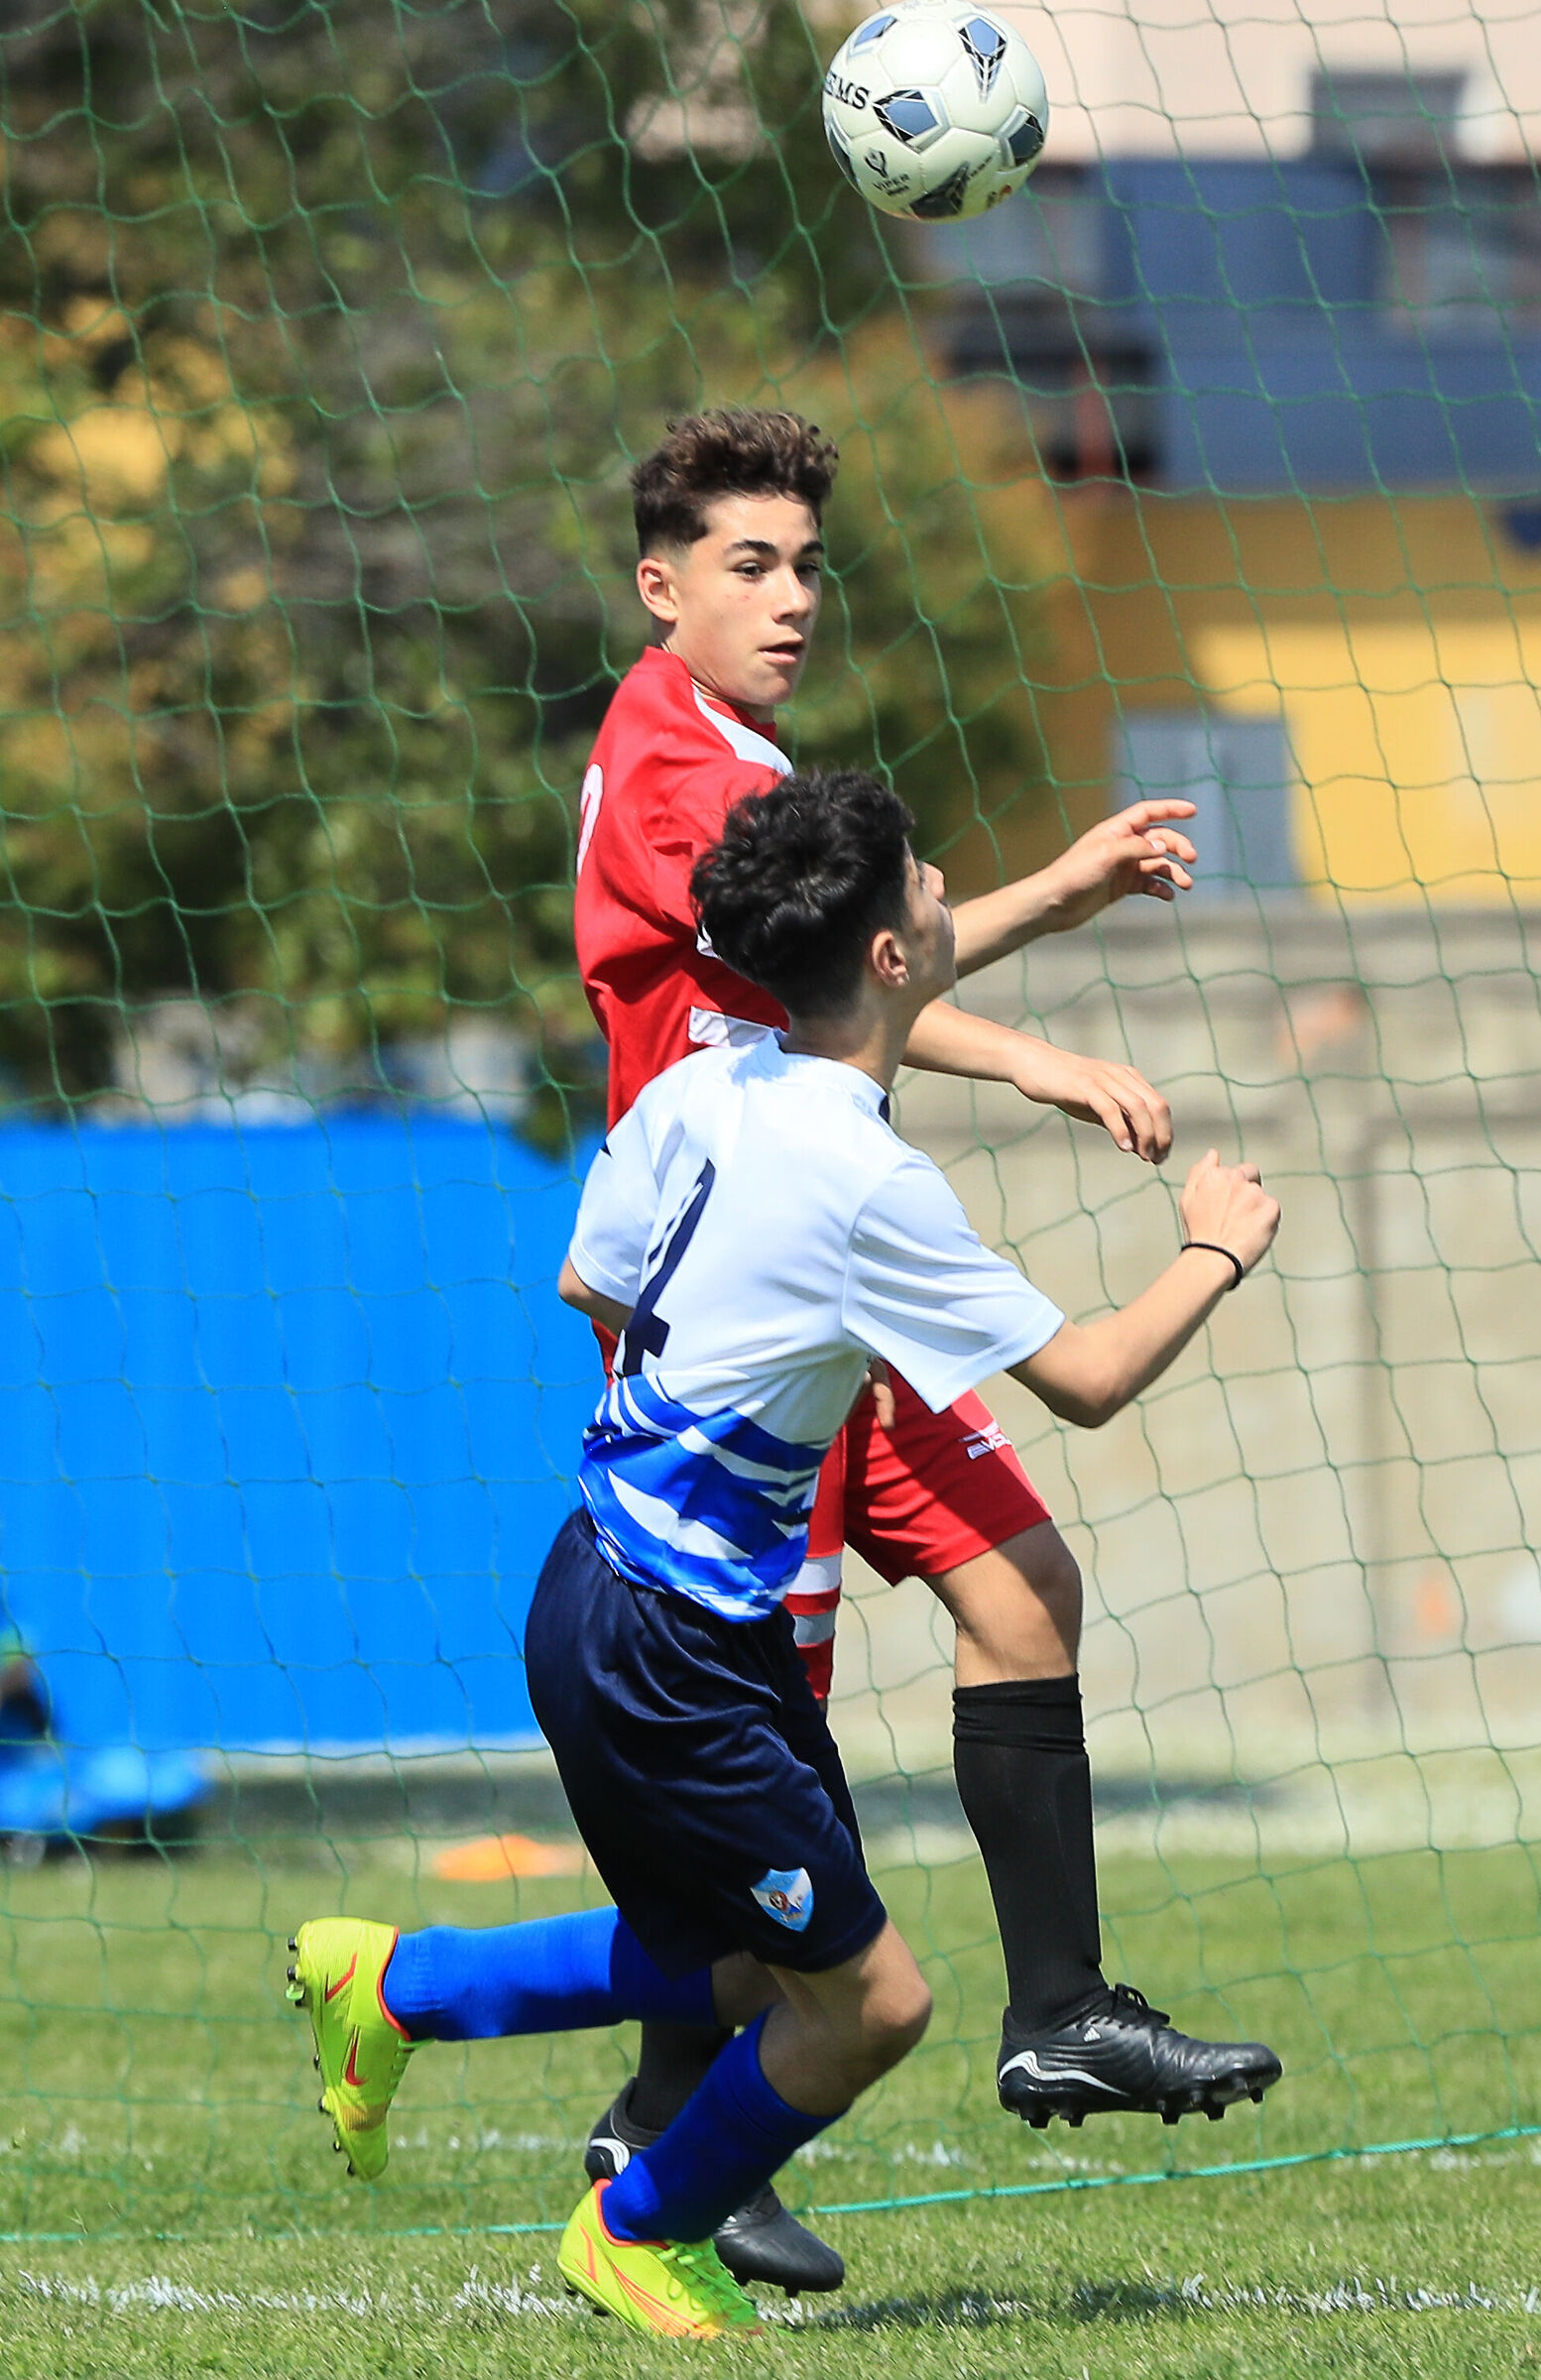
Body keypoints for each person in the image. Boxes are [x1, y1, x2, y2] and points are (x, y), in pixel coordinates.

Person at [287, 769, 1282, 2343]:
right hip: (673, 1649)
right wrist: (1215, 1245)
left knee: (747, 1972)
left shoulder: (701, 1080)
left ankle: (394, 1989)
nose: (950, 888)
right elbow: (1088, 1381)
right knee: (875, 2003)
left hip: (603, 1584)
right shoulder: (865, 1177)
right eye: (933, 883)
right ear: (890, 956)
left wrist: (718, 1412)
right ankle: (641, 2224)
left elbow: (586, 1282)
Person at [569, 405, 1268, 2291]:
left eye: (806, 563)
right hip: (753, 1322)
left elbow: (870, 958)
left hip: (804, 1292)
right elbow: (833, 970)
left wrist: (1058, 894)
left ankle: (1059, 2010)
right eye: (749, 563)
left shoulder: (730, 743)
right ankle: (665, 2126)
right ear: (662, 586)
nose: (791, 598)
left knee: (1020, 1587)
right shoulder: (664, 770)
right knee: (764, 1748)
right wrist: (1040, 1034)